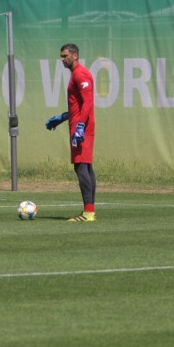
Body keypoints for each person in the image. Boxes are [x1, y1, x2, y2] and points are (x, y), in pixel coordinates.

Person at [45, 43, 97, 222]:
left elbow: (88, 102)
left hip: (82, 128)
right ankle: (90, 211)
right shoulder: (76, 74)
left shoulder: (81, 74)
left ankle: (88, 212)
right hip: (78, 125)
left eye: (65, 56)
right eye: (61, 56)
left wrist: (80, 126)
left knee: (81, 166)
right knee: (86, 166)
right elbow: (78, 105)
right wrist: (62, 117)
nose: (62, 59)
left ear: (75, 55)